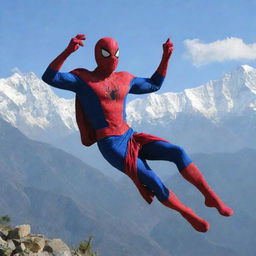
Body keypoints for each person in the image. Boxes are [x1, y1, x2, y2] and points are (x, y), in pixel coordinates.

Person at [42, 34, 233, 233]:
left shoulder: (125, 78)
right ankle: (186, 212)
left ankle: (210, 197)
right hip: (111, 144)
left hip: (131, 136)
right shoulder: (83, 80)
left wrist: (165, 57)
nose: (113, 58)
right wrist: (68, 51)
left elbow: (154, 84)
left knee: (177, 152)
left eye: (116, 53)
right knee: (151, 179)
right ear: (98, 56)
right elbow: (50, 77)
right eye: (107, 53)